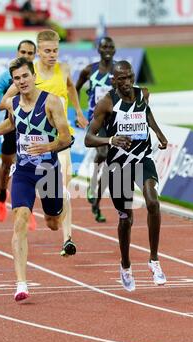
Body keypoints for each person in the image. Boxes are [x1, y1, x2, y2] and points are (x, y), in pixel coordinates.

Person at [0, 57, 71, 302]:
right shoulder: (12, 103)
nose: (22, 81)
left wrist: (48, 145)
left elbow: (66, 139)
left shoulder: (51, 103)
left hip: (48, 170)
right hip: (23, 171)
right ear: (12, 81)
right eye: (16, 78)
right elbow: (10, 125)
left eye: (25, 76)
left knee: (53, 222)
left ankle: (61, 201)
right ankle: (21, 283)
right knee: (20, 220)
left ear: (33, 76)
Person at [3, 30, 89, 257]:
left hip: (60, 140)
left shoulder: (65, 69)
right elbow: (8, 98)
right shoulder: (31, 74)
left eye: (56, 50)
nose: (52, 55)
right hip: (33, 144)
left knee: (64, 186)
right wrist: (16, 114)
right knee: (51, 216)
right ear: (38, 51)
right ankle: (48, 210)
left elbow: (71, 87)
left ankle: (68, 238)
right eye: (47, 51)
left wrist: (78, 112)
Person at [85, 61, 168, 292]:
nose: (127, 82)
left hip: (142, 159)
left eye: (130, 77)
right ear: (114, 80)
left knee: (153, 202)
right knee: (126, 218)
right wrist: (111, 140)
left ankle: (154, 260)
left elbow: (146, 114)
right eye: (122, 79)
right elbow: (88, 138)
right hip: (119, 164)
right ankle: (125, 264)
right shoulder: (107, 103)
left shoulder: (143, 94)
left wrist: (159, 134)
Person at [0, 40, 36, 225]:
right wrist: (10, 104)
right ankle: (1, 196)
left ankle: (26, 208)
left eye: (30, 53)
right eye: (23, 51)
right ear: (17, 52)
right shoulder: (5, 77)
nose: (26, 55)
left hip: (33, 130)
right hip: (11, 128)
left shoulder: (37, 77)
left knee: (27, 169)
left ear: (34, 56)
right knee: (7, 166)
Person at [76, 37, 116, 223]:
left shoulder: (119, 70)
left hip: (116, 122)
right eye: (104, 46)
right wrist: (78, 113)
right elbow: (75, 89)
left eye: (110, 46)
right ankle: (92, 182)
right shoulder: (89, 70)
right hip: (96, 121)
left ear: (114, 49)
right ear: (98, 49)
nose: (107, 49)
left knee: (109, 166)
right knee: (102, 152)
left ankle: (97, 204)